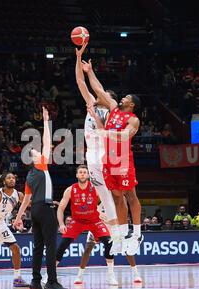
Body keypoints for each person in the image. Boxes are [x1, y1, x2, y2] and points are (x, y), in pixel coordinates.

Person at [82, 56, 142, 256]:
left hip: (122, 158)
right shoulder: (114, 108)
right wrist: (89, 71)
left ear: (132, 105)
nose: (124, 98)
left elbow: (125, 136)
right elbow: (98, 90)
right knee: (116, 197)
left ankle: (137, 234)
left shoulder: (133, 119)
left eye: (128, 98)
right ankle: (120, 235)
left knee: (130, 196)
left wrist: (105, 133)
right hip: (108, 158)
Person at [74, 43, 122, 254]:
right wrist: (78, 58)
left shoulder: (112, 113)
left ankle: (117, 228)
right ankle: (113, 231)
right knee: (103, 193)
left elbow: (104, 132)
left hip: (105, 153)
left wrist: (94, 117)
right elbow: (80, 82)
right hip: (91, 154)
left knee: (112, 193)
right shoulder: (92, 102)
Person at [14, 107, 68, 289]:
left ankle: (36, 281)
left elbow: (26, 200)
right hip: (45, 209)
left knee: (38, 248)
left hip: (35, 211)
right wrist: (46, 121)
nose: (40, 151)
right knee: (51, 245)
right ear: (34, 158)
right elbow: (47, 142)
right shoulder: (40, 164)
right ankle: (51, 281)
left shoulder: (29, 176)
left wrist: (18, 217)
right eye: (36, 152)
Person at [55, 165, 117, 286]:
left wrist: (110, 221)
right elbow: (60, 209)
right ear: (77, 175)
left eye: (85, 172)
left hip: (94, 220)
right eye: (81, 172)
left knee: (109, 242)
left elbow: (108, 205)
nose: (83, 174)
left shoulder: (96, 189)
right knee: (63, 245)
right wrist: (61, 224)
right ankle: (50, 275)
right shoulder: (70, 190)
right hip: (77, 221)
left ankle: (111, 276)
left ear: (88, 175)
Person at [75, 202, 143, 285]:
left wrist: (111, 219)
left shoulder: (118, 198)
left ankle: (135, 274)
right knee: (88, 248)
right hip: (98, 225)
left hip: (114, 227)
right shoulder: (98, 195)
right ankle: (79, 276)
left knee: (126, 249)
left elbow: (122, 214)